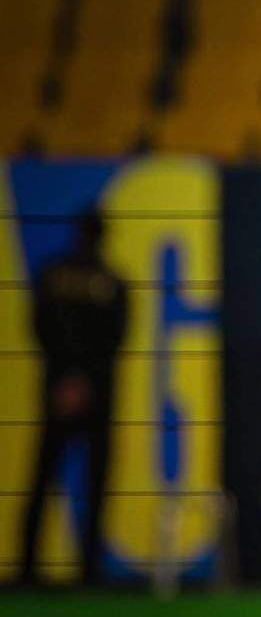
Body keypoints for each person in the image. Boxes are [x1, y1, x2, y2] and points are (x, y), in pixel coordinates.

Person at [21, 208, 128, 585]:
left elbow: (39, 327)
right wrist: (87, 382)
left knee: (43, 478)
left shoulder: (53, 275)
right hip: (98, 396)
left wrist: (67, 380)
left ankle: (28, 568)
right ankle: (89, 571)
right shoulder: (113, 281)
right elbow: (116, 340)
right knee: (94, 484)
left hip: (58, 391)